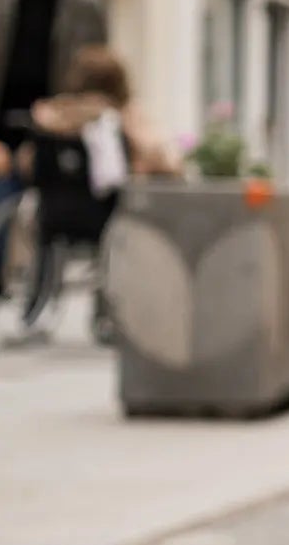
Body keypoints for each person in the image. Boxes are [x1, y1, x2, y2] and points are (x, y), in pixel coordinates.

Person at [13, 45, 174, 342]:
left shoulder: (51, 116)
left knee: (38, 222)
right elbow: (160, 160)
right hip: (106, 217)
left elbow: (26, 164)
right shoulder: (123, 119)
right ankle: (111, 314)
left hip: (52, 217)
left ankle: (36, 309)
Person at [0, 0, 105, 294]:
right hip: (3, 122)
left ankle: (41, 286)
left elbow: (94, 71)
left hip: (57, 127)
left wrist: (66, 118)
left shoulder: (86, 5)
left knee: (52, 212)